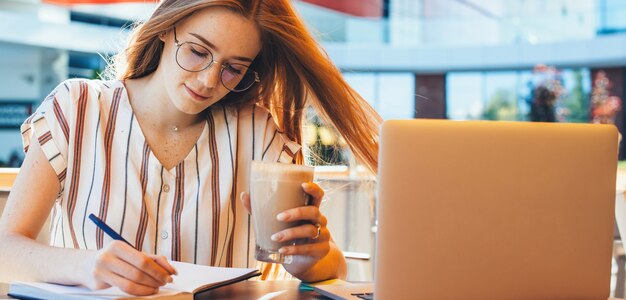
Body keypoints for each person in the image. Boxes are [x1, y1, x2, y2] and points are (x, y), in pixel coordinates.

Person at [0, 0, 381, 296]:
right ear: (167, 28)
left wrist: (316, 256)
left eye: (234, 67)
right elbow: (6, 249)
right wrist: (85, 266)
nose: (209, 80)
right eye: (198, 52)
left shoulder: (259, 132)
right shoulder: (77, 108)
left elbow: (325, 269)